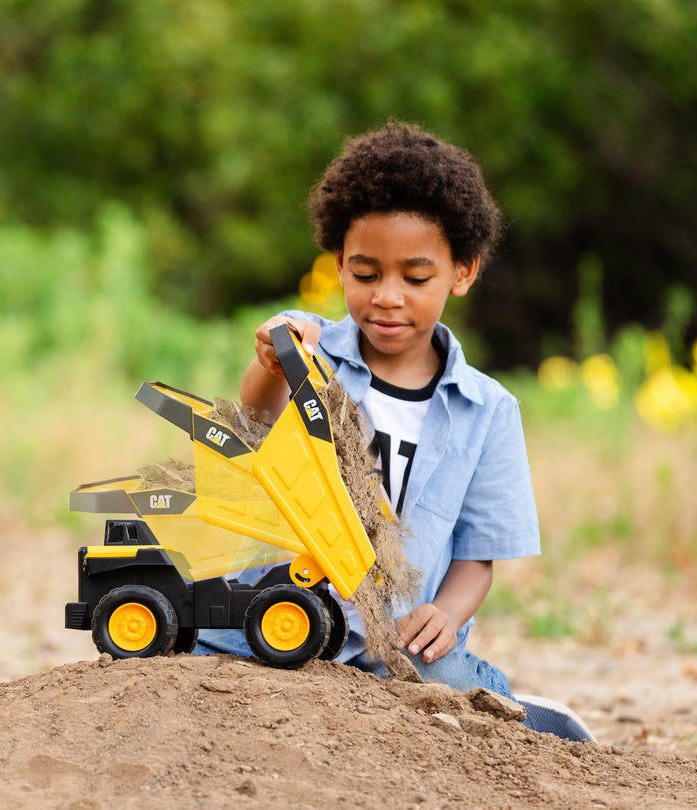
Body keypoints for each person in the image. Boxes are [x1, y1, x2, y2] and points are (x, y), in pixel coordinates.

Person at [194, 121, 594, 743]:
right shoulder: (311, 347)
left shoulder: (487, 411)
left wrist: (447, 614)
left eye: (415, 277)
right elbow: (256, 416)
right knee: (198, 670)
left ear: (462, 273)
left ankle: (530, 719)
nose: (386, 297)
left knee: (453, 689)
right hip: (284, 608)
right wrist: (272, 361)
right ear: (338, 267)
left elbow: (477, 555)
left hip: (394, 636)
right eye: (365, 273)